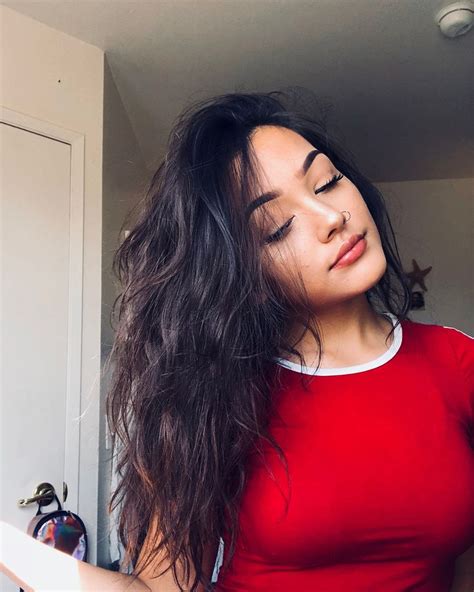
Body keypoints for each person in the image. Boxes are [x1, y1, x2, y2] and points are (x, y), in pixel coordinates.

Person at [1, 90, 473, 592]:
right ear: (241, 271)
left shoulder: (456, 360)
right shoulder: (212, 395)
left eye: (327, 182)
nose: (331, 217)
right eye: (276, 227)